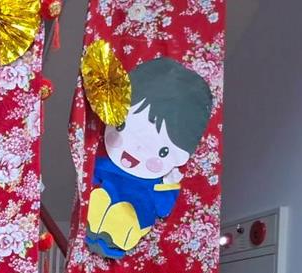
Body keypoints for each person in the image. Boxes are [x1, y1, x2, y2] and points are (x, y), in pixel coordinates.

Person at [85, 57, 213, 258]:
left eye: (163, 151)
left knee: (125, 219)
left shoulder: (156, 184)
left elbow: (163, 208)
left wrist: (168, 186)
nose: (136, 149)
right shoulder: (107, 165)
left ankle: (115, 235)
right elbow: (89, 177)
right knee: (99, 199)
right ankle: (97, 226)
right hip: (97, 213)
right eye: (121, 127)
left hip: (128, 225)